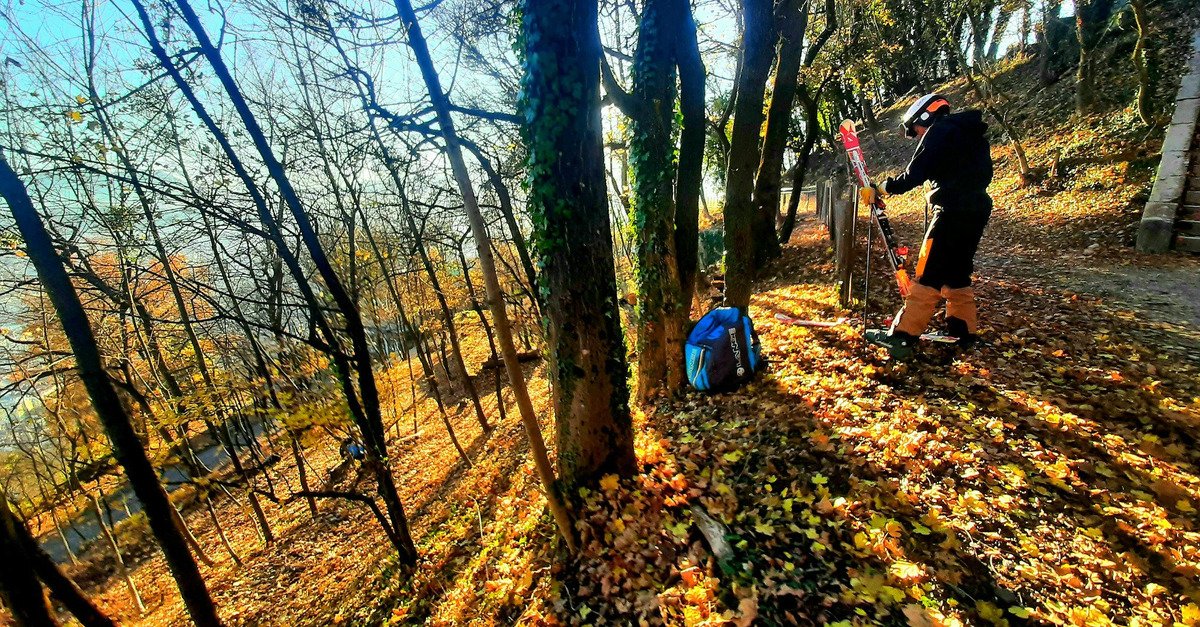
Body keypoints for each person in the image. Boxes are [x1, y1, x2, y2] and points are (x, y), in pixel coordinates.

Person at [859, 93, 993, 359]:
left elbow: (914, 175)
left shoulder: (939, 132)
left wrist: (883, 188)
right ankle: (963, 330)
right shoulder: (970, 134)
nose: (916, 135)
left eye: (915, 129)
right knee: (957, 272)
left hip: (951, 211)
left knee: (928, 271)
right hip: (977, 209)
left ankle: (902, 336)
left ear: (925, 116)